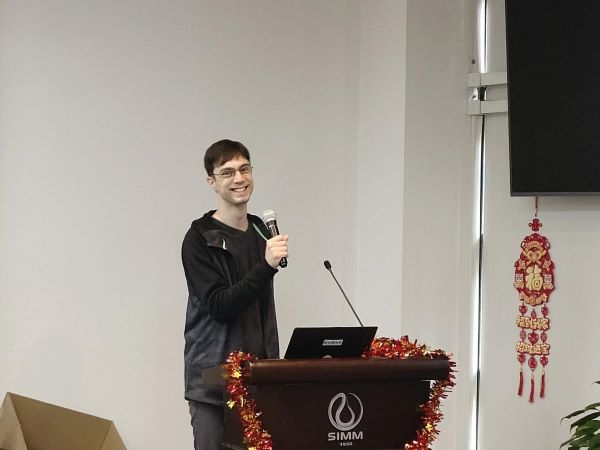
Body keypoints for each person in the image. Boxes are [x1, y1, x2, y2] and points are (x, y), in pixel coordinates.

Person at [181, 139, 289, 450]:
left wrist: (273, 366)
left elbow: (262, 309)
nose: (239, 178)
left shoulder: (260, 230)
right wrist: (266, 267)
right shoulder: (199, 238)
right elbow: (220, 306)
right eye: (227, 172)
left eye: (245, 169)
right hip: (213, 381)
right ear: (211, 182)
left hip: (258, 377)